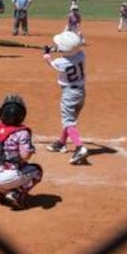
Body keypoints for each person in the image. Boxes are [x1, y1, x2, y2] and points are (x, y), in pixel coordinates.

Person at [44, 31, 89, 165]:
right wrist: (54, 48)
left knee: (68, 121)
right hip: (81, 92)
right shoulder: (81, 55)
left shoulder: (61, 63)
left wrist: (46, 54)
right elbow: (69, 52)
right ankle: (61, 143)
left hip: (69, 94)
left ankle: (80, 147)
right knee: (69, 119)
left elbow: (50, 62)